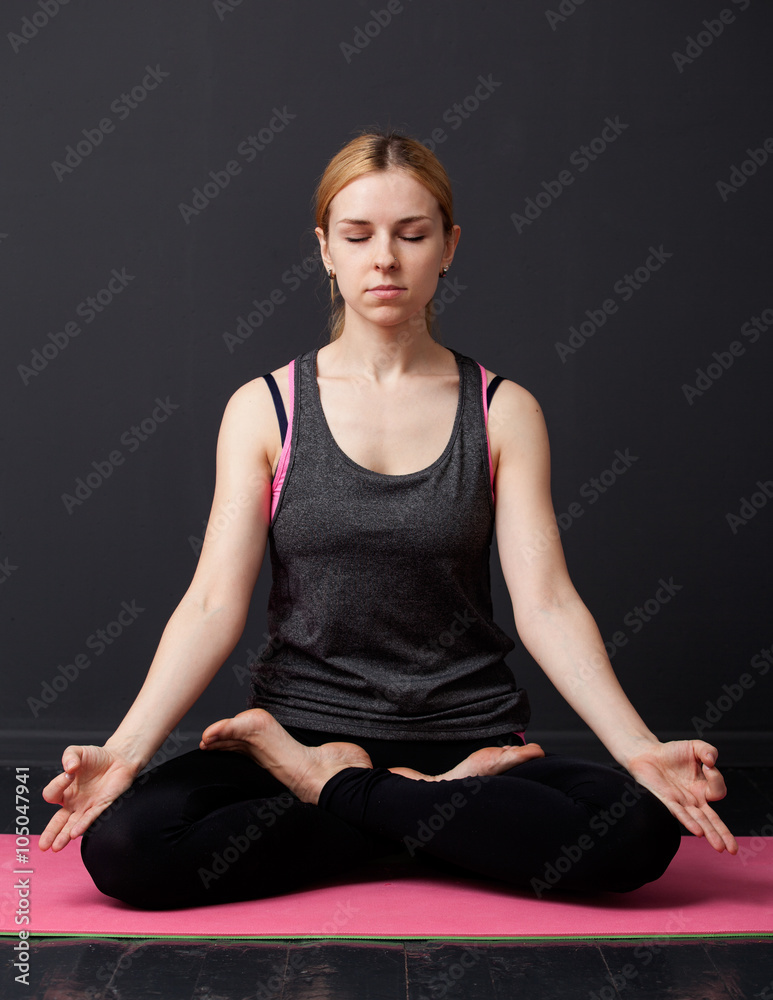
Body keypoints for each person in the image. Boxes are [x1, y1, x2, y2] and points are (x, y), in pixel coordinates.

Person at [40, 131, 737, 909]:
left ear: (448, 247)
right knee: (131, 847)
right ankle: (426, 813)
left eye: (412, 235)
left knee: (634, 834)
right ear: (325, 250)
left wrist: (639, 749)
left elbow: (546, 602)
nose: (385, 259)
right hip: (295, 735)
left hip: (472, 742)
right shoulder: (263, 410)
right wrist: (124, 753)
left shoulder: (503, 410)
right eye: (358, 236)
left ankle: (340, 792)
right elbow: (210, 603)